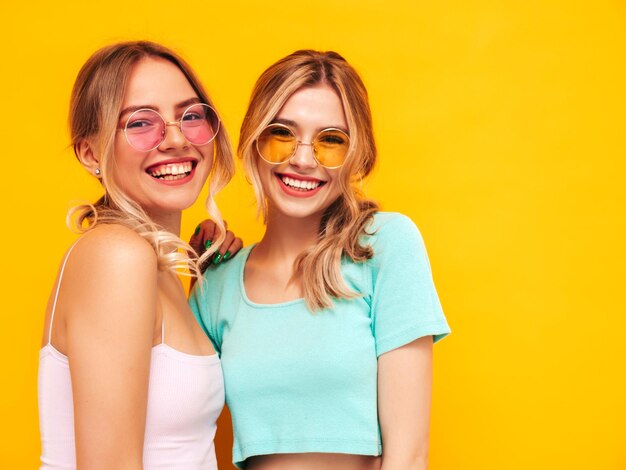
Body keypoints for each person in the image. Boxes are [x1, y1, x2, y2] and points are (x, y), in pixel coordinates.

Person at [190, 50, 451, 470]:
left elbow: (409, 453)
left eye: (331, 140)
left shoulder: (383, 246)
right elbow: (170, 415)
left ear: (356, 156)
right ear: (253, 142)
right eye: (282, 133)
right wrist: (179, 269)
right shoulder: (216, 283)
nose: (304, 159)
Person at [38, 41, 242, 469]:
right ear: (90, 152)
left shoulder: (152, 266)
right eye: (141, 123)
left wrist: (198, 275)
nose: (175, 139)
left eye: (190, 115)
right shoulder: (118, 257)